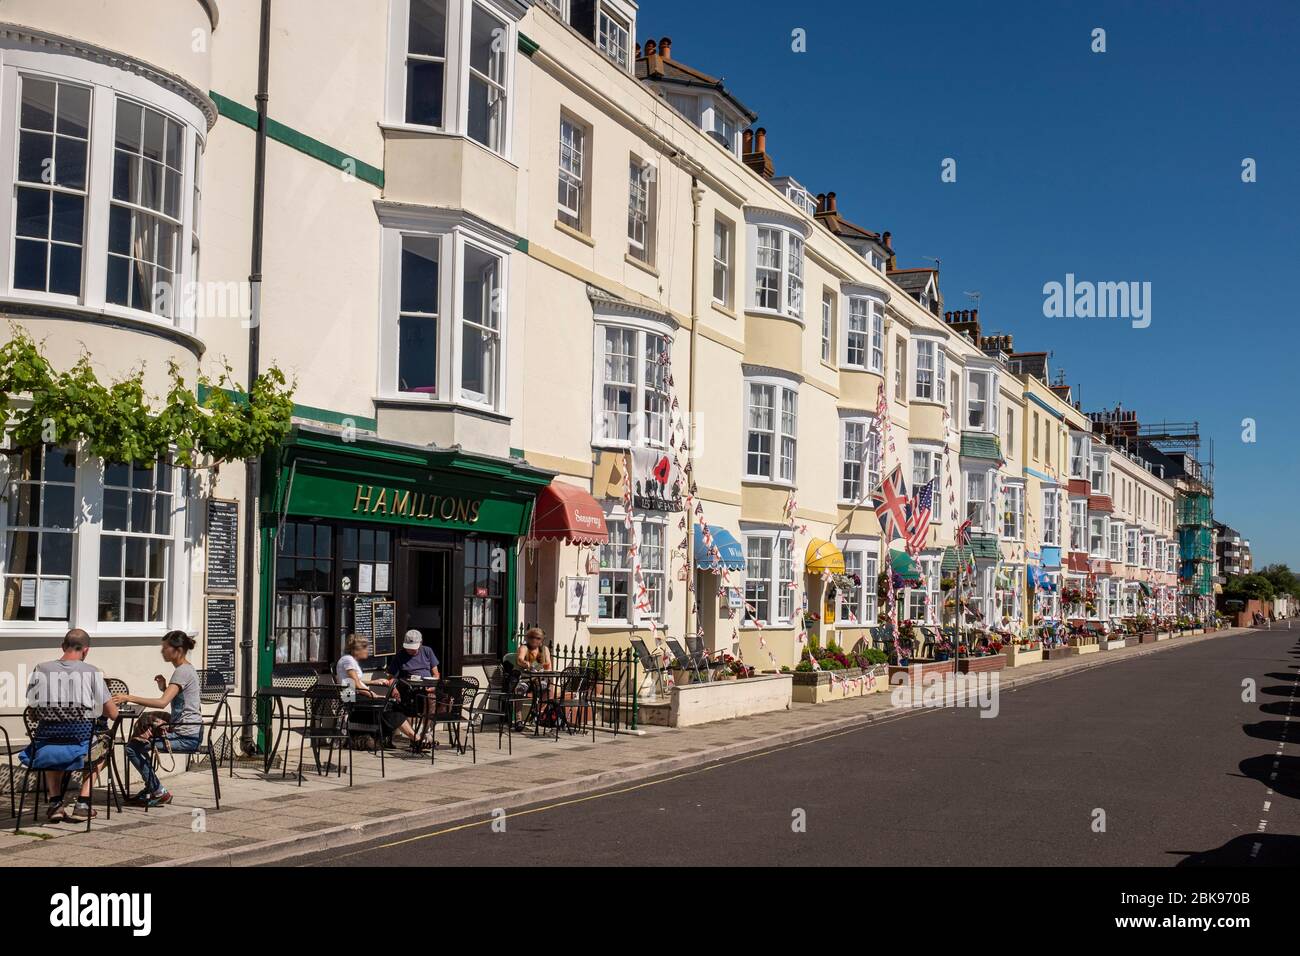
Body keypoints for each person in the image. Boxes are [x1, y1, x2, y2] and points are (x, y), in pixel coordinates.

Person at [22, 629, 118, 824]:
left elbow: (32, 708)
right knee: (104, 746)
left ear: (62, 646)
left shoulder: (40, 668)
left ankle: (55, 803)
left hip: (45, 743)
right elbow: (113, 714)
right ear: (86, 650)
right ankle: (82, 803)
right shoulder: (91, 672)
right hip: (80, 742)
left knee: (52, 747)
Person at [111, 631, 204, 807]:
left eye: (165, 648)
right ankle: (152, 787)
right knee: (139, 741)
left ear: (177, 650)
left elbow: (162, 704)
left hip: (186, 737)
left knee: (133, 748)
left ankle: (157, 790)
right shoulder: (185, 669)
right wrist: (164, 687)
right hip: (188, 731)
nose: (162, 651)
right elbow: (179, 699)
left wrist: (128, 697)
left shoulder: (182, 672)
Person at [336, 634, 423, 750]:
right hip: (351, 698)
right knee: (390, 707)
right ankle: (415, 739)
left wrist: (374, 682)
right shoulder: (348, 660)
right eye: (366, 648)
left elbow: (355, 682)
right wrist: (372, 695)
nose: (368, 651)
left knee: (392, 705)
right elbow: (355, 684)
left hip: (355, 695)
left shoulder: (349, 660)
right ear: (358, 649)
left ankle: (414, 738)